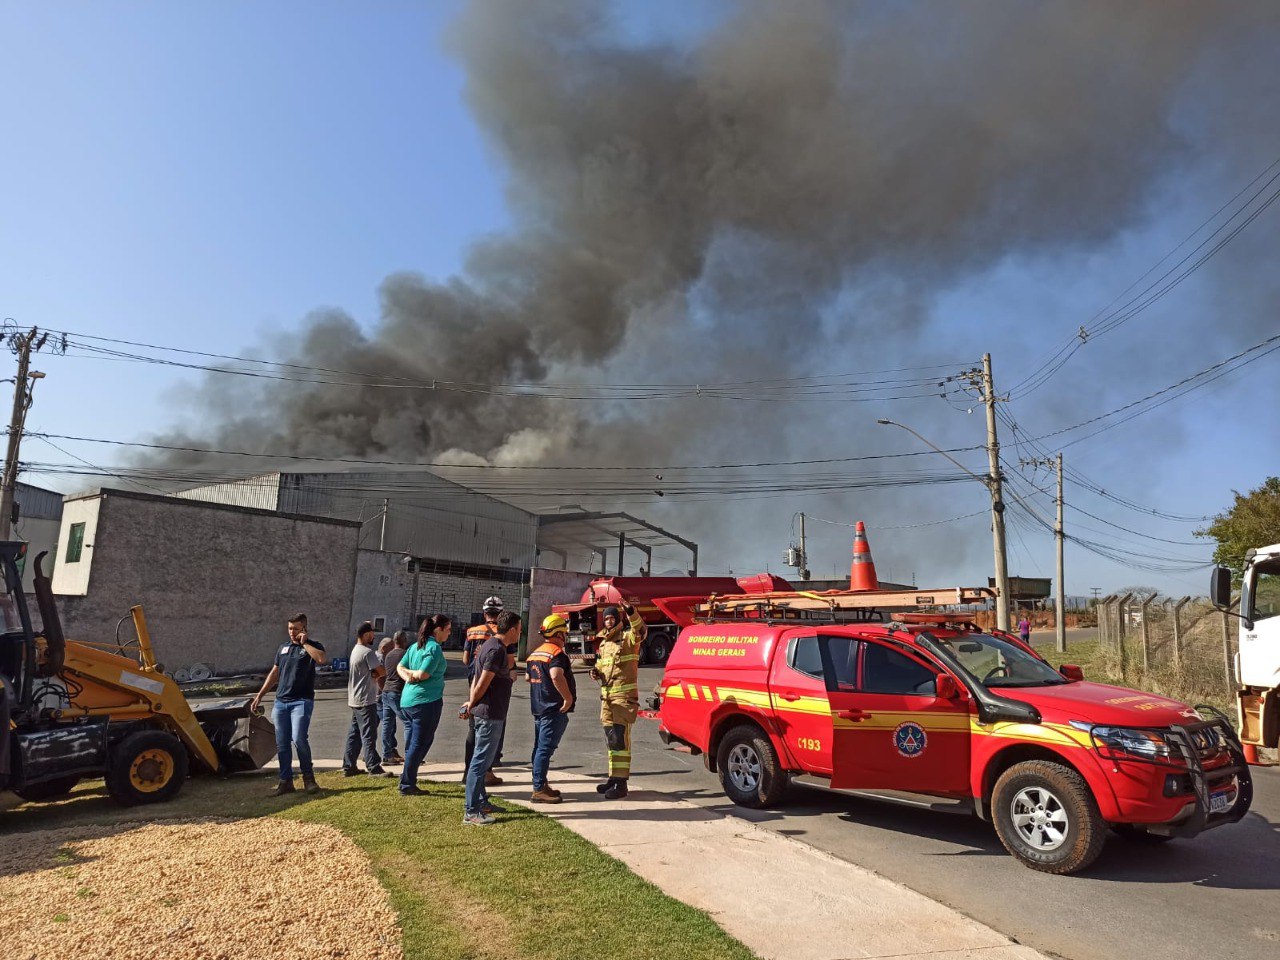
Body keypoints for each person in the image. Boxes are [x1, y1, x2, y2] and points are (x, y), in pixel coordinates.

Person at [251, 613, 328, 796]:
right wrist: (260, 695)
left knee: (299, 738)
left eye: (296, 629)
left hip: (301, 701)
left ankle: (309, 779)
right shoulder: (283, 648)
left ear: (304, 629)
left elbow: (321, 659)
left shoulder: (313, 646)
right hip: (281, 702)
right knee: (282, 743)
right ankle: (285, 781)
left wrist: (305, 643)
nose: (292, 632)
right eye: (289, 628)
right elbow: (274, 673)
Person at [461, 610, 519, 825]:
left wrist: (471, 701)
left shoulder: (491, 645)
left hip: (488, 711)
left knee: (482, 761)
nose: (520, 633)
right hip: (489, 713)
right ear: (512, 629)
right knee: (480, 762)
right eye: (520, 629)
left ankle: (482, 801)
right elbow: (483, 680)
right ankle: (472, 810)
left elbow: (476, 676)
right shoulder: (496, 650)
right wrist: (472, 702)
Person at [591, 602, 645, 800]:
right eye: (606, 618)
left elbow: (640, 629)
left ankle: (621, 784)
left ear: (619, 619)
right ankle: (613, 778)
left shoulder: (628, 638)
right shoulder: (604, 644)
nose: (609, 621)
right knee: (611, 740)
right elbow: (601, 665)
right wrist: (595, 672)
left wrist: (631, 612)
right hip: (606, 699)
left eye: (612, 618)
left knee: (620, 740)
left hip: (623, 699)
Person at [397, 615, 450, 796]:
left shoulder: (414, 647)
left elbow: (401, 668)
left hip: (409, 701)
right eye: (448, 629)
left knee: (413, 742)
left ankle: (407, 778)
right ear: (438, 630)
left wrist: (408, 676)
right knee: (420, 743)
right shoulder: (433, 648)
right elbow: (423, 674)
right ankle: (407, 783)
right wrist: (412, 676)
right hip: (426, 701)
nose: (449, 633)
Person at [526, 613, 576, 804]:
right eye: (564, 632)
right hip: (553, 709)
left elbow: (528, 678)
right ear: (559, 634)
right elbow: (556, 675)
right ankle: (538, 789)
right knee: (544, 749)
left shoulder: (535, 653)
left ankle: (541, 783)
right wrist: (568, 698)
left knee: (539, 748)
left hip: (539, 708)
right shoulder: (556, 654)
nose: (565, 637)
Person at [463, 597, 505, 785]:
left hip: (473, 679)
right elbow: (510, 662)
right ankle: (487, 769)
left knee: (473, 725)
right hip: (494, 682)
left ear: (484, 612)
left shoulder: (472, 632)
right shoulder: (502, 633)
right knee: (492, 724)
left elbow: (465, 659)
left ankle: (468, 770)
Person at [343, 622, 390, 777]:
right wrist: (376, 673)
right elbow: (381, 671)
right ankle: (373, 767)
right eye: (372, 633)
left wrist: (374, 673)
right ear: (365, 635)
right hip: (366, 699)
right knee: (369, 734)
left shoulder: (355, 650)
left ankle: (349, 765)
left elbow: (373, 672)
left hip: (355, 698)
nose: (374, 636)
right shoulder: (367, 652)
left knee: (355, 733)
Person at [380, 631, 410, 764]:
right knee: (409, 723)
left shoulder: (388, 655)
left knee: (387, 724)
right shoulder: (405, 655)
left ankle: (387, 754)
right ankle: (411, 754)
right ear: (403, 640)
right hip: (397, 691)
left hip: (386, 691)